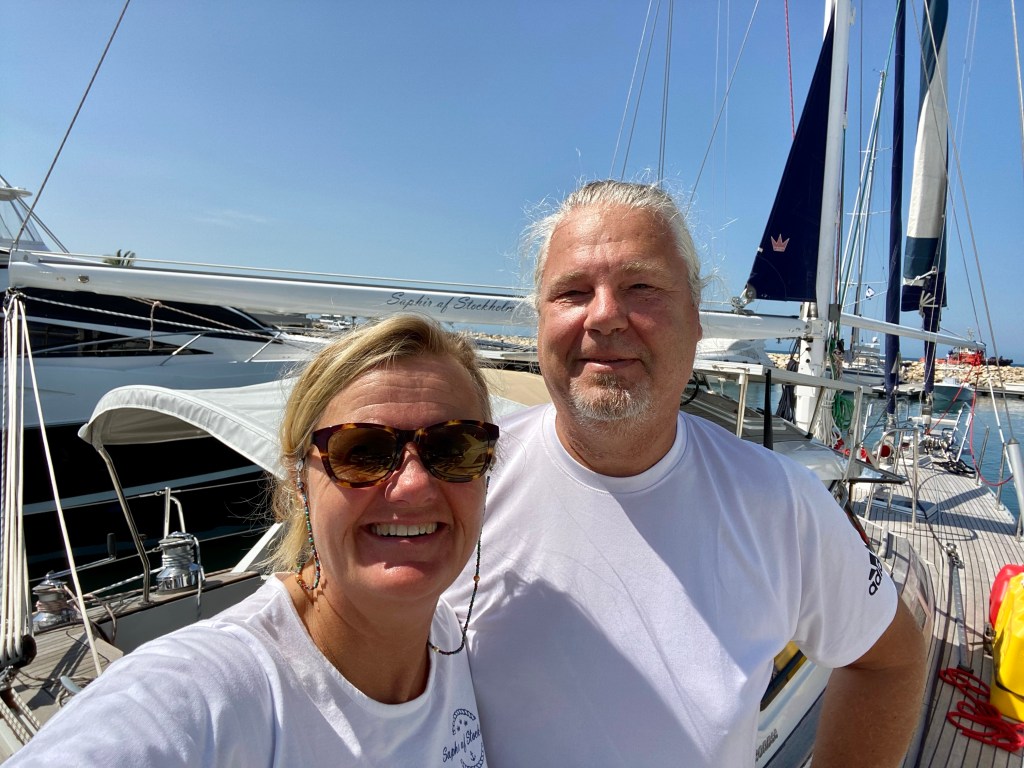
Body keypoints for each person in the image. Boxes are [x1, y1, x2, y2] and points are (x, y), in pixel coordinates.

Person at [445, 180, 926, 767]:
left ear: (696, 319)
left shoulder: (780, 503)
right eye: (572, 292)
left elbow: (889, 660)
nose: (604, 316)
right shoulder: (458, 480)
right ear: (539, 322)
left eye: (641, 287)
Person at [10, 314, 496, 767]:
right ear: (299, 480)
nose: (413, 485)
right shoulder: (208, 689)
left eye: (456, 447)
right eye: (362, 450)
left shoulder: (448, 637)